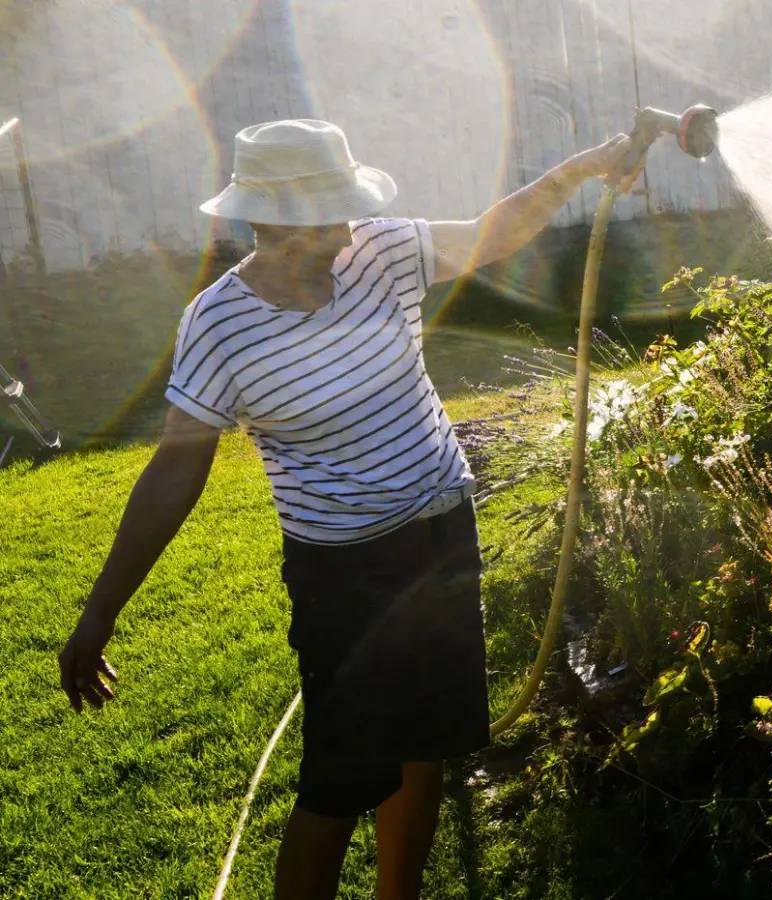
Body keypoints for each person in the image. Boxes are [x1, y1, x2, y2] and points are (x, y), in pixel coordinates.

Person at [56, 118, 634, 900]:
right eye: (321, 217)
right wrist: (100, 613)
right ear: (265, 220)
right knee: (338, 782)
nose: (341, 230)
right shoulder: (220, 325)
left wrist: (587, 167)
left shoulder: (384, 250)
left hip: (441, 536)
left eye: (343, 208)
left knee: (424, 748)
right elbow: (175, 469)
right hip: (344, 572)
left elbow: (491, 234)